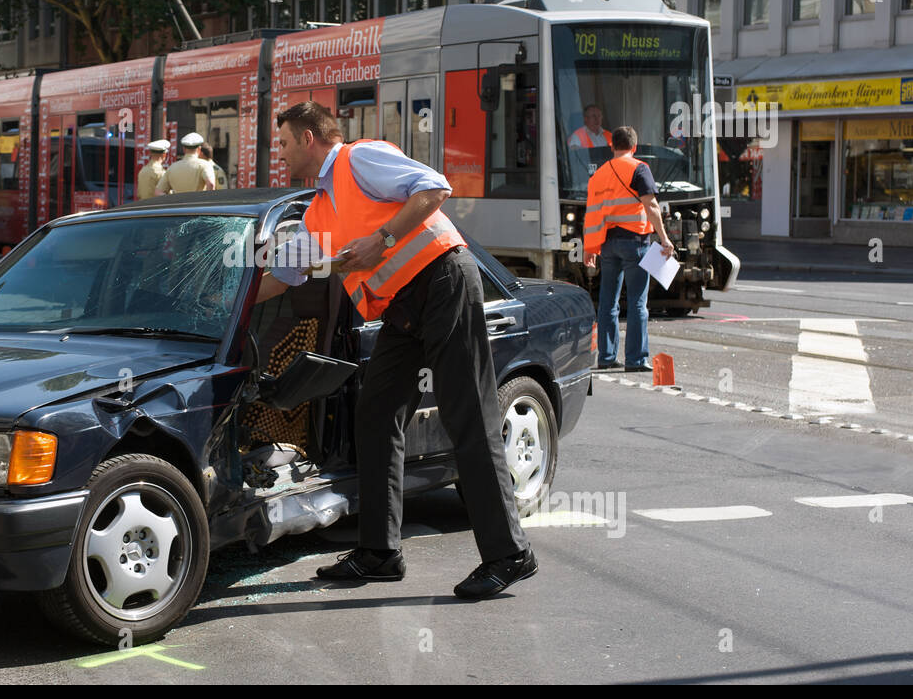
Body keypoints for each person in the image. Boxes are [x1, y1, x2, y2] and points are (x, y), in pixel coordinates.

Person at [257, 100, 536, 600]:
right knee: (376, 412)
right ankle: (380, 553)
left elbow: (434, 186)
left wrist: (380, 239)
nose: (279, 154)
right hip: (404, 309)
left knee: (466, 413)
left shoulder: (357, 159)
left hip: (443, 280)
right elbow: (280, 278)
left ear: (307, 138)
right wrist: (219, 307)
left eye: (282, 143)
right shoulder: (319, 210)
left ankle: (509, 554)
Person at [583, 125, 676, 372]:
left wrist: (590, 247)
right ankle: (635, 360)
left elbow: (592, 214)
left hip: (607, 244)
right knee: (637, 302)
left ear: (612, 145)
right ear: (634, 147)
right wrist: (664, 239)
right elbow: (652, 206)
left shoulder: (599, 174)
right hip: (635, 243)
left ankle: (606, 357)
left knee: (607, 303)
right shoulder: (639, 168)